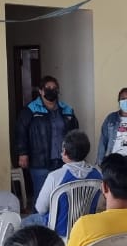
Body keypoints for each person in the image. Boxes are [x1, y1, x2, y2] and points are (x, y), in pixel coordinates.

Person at [13, 75, 79, 210]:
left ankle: (57, 221)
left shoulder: (66, 110)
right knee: (41, 197)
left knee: (62, 196)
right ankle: (38, 222)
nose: (51, 90)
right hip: (40, 161)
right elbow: (21, 132)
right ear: (41, 91)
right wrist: (22, 153)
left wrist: (75, 155)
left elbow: (75, 133)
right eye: (48, 88)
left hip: (63, 160)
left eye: (54, 88)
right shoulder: (31, 110)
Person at [22, 130, 103, 238]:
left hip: (58, 231)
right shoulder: (98, 175)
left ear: (64, 151)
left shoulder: (55, 176)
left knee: (24, 222)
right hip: (84, 228)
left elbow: (41, 209)